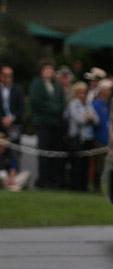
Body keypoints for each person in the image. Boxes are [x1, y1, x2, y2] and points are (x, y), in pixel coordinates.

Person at [28, 58, 66, 189]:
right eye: (46, 69)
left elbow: (61, 102)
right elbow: (37, 103)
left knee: (55, 154)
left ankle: (53, 180)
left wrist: (55, 108)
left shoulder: (57, 85)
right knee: (44, 153)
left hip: (56, 125)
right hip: (43, 124)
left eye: (51, 69)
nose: (49, 72)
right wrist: (53, 108)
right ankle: (43, 180)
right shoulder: (37, 85)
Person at [65, 81, 99, 191]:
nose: (83, 95)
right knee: (76, 164)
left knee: (85, 164)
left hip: (87, 137)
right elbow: (79, 119)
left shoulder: (88, 104)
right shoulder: (73, 104)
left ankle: (84, 185)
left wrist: (88, 118)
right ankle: (75, 185)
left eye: (84, 93)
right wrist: (89, 118)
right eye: (80, 93)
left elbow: (97, 120)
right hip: (76, 137)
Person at [0, 65, 26, 183]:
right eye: (6, 76)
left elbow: (21, 109)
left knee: (14, 149)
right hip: (1, 125)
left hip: (14, 124)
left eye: (10, 76)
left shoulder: (18, 89)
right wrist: (3, 120)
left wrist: (12, 119)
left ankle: (13, 174)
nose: (8, 79)